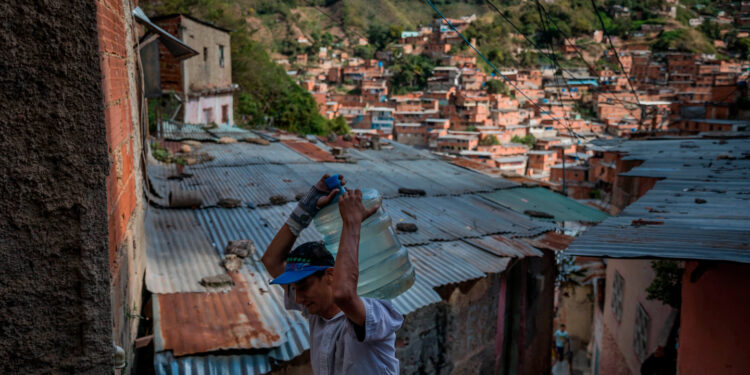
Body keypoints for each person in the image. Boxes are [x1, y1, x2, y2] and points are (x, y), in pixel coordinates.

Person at [261, 174, 404, 375]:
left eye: (303, 287)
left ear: (330, 275)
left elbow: (344, 295)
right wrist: (308, 205)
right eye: (293, 289)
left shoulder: (374, 311)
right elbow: (271, 261)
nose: (298, 299)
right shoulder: (315, 311)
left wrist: (352, 223)